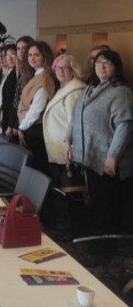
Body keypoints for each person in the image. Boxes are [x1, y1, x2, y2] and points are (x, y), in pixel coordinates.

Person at [65, 49, 133, 235]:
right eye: (98, 63)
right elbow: (75, 117)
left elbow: (124, 126)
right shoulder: (89, 88)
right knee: (93, 205)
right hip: (86, 158)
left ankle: (105, 247)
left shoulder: (121, 92)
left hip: (105, 160)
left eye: (106, 63)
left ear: (116, 67)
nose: (101, 67)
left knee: (105, 208)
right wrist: (67, 140)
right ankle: (95, 241)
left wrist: (113, 155)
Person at [42, 54, 86, 236]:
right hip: (59, 149)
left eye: (65, 68)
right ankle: (71, 230)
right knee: (66, 192)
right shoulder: (64, 89)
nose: (60, 71)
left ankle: (77, 232)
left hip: (67, 151)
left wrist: (71, 148)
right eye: (58, 68)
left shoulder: (74, 91)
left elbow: (73, 124)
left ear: (73, 70)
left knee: (73, 193)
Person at [16, 41, 56, 173]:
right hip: (30, 128)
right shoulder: (37, 75)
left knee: (35, 169)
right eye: (29, 55)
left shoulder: (43, 78)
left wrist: (21, 127)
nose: (32, 58)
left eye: (36, 55)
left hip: (35, 129)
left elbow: (36, 110)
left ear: (44, 57)